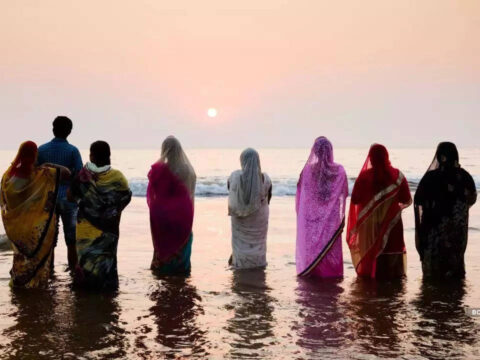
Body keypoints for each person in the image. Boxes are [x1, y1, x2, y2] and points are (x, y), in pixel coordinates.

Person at [0, 141, 70, 288]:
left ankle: (20, 283)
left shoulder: (8, 177)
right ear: (34, 154)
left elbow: (4, 200)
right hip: (37, 228)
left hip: (18, 228)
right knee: (37, 259)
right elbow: (66, 173)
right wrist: (50, 164)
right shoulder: (40, 174)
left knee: (20, 256)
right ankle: (35, 286)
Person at [69, 141, 131, 290]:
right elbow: (126, 197)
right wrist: (110, 211)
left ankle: (86, 288)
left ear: (91, 155)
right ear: (109, 155)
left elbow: (71, 196)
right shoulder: (118, 177)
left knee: (86, 259)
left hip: (85, 228)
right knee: (106, 257)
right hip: (108, 229)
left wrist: (88, 202)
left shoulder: (83, 176)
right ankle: (106, 288)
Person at [346, 144, 412, 280]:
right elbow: (405, 198)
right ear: (386, 156)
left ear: (370, 158)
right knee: (393, 271)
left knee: (371, 271)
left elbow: (355, 199)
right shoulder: (398, 175)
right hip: (392, 226)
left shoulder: (364, 177)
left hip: (369, 228)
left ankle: (372, 292)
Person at [414, 142, 477, 279]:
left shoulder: (430, 178)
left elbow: (418, 201)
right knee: (454, 272)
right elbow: (472, 199)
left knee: (433, 276)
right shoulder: (464, 176)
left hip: (433, 232)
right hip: (456, 233)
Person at [296, 137, 348, 278]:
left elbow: (302, 197)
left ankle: (312, 274)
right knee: (329, 252)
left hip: (311, 220)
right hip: (331, 221)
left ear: (315, 152)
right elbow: (344, 193)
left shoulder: (307, 171)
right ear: (331, 151)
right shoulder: (339, 171)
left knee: (312, 250)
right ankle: (331, 276)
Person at [37, 116, 83, 270]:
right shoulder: (72, 151)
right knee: (71, 239)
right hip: (68, 198)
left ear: (53, 129)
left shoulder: (41, 150)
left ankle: (49, 271)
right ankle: (73, 270)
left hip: (48, 198)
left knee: (49, 238)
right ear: (69, 131)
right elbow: (79, 176)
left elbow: (35, 175)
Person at [147, 136, 196, 275]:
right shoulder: (188, 170)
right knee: (182, 245)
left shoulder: (160, 170)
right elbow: (190, 194)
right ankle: (181, 273)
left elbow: (155, 195)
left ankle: (164, 272)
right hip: (184, 217)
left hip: (164, 218)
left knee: (164, 246)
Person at [228, 148, 272, 269]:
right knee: (258, 241)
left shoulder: (235, 177)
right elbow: (268, 198)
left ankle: (240, 263)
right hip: (260, 217)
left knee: (240, 242)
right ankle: (258, 263)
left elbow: (229, 190)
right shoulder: (266, 179)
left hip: (240, 218)